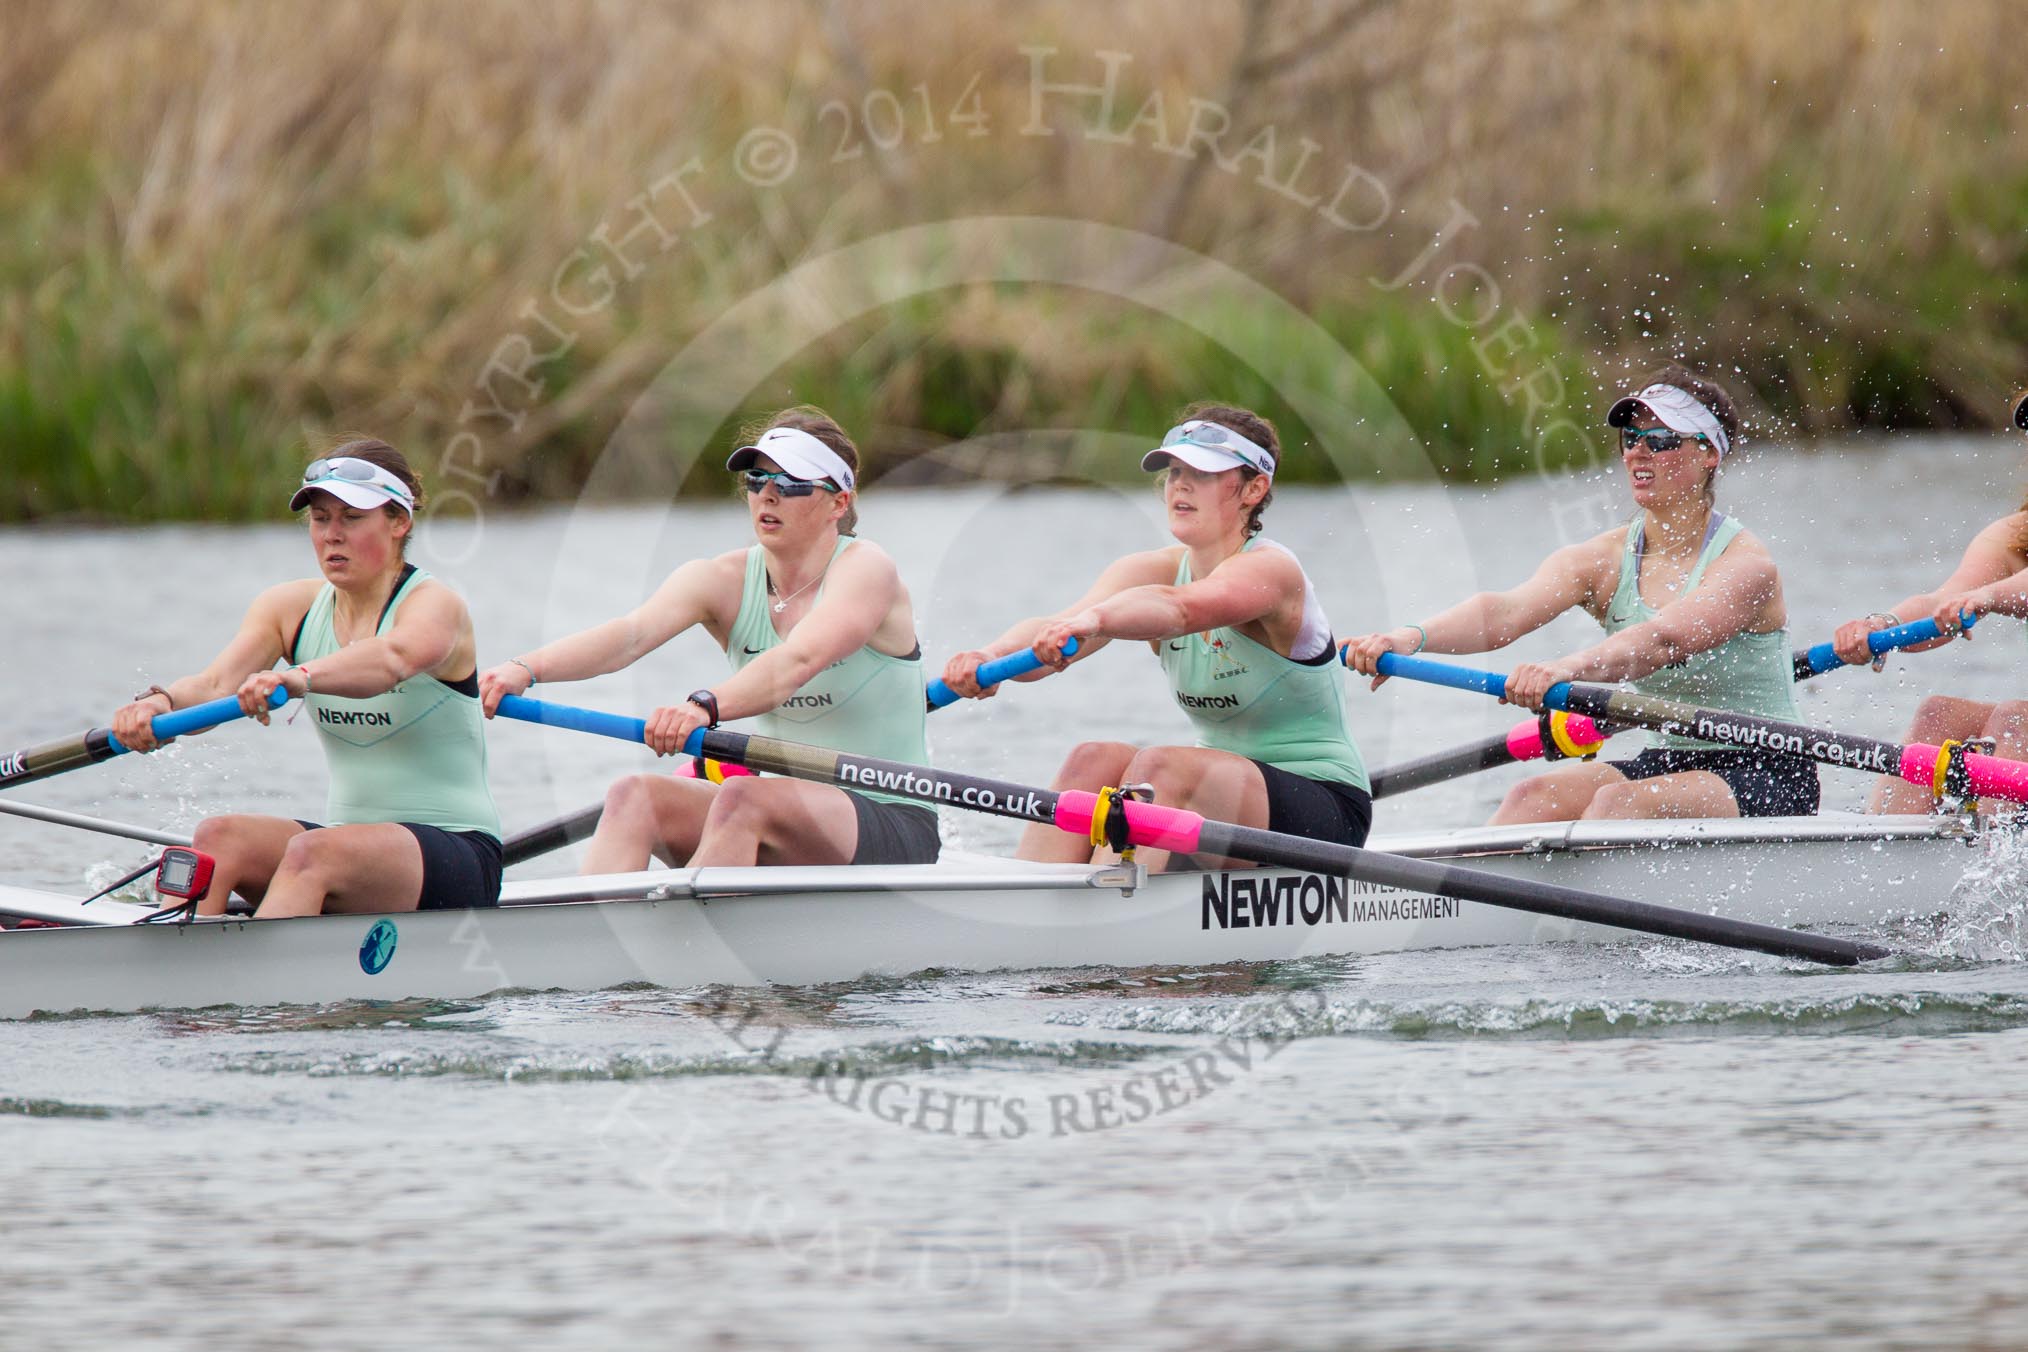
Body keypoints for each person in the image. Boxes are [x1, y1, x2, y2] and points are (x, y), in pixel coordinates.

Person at [1345, 366, 1821, 823]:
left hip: (1770, 765)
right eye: (1630, 438)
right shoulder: (1604, 560)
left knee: (1616, 804)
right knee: (1531, 797)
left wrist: (1563, 670)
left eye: (1660, 440)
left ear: (1708, 454)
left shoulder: (1746, 566)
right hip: (1672, 757)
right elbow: (1505, 612)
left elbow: (1663, 641)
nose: (1639, 453)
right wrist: (1409, 637)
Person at [478, 407, 939, 870]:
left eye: (791, 484)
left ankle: (689, 912)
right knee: (634, 796)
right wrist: (525, 668)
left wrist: (703, 706)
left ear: (838, 503)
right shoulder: (720, 579)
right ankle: (602, 917)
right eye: (757, 480)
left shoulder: (866, 570)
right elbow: (628, 637)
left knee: (742, 798)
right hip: (774, 809)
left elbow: (798, 661)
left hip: (889, 814)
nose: (768, 495)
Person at [939, 403, 1371, 871]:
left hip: (1324, 808)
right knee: (1091, 760)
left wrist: (1096, 620)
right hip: (1224, 795)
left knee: (1157, 770)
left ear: (1254, 489)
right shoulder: (1149, 569)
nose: (1180, 485)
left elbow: (1180, 609)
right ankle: (1031, 896)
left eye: (1202, 474)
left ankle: (1110, 900)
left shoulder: (1272, 570)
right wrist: (989, 657)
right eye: (1175, 472)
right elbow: (1053, 631)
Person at [109, 439, 503, 918]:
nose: (332, 535)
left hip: (459, 853)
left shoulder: (435, 605)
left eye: (352, 518)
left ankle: (257, 966)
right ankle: (170, 957)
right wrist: (160, 703)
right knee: (216, 839)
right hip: (345, 849)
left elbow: (391, 660)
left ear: (399, 522)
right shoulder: (288, 608)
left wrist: (298, 677)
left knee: (311, 854)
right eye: (320, 519)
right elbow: (214, 686)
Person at [1829, 389, 2028, 813]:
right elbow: (1942, 604)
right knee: (1937, 715)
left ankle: (1996, 850)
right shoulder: (2015, 536)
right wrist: (1881, 625)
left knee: (2014, 720)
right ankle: (1890, 847)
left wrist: (1990, 596)